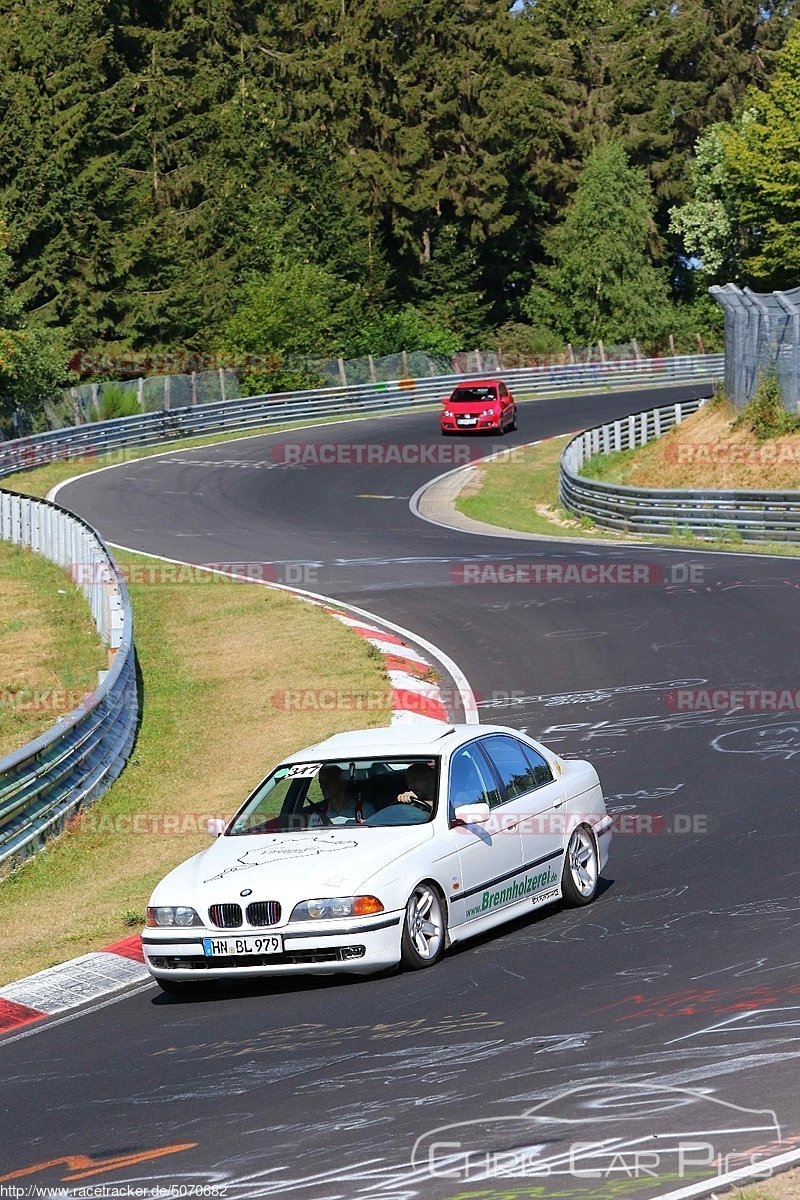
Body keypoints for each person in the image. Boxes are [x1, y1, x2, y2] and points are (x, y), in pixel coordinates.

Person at [308, 764, 375, 825]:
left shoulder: (365, 810)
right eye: (321, 782)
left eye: (329, 781)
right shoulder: (317, 815)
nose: (323, 786)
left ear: (343, 782)